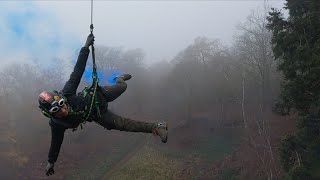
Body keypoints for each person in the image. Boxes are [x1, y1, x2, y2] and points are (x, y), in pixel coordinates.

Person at [38, 34, 168, 176]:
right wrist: (51, 162)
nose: (63, 110)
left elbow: (77, 71)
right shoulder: (57, 124)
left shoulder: (67, 92)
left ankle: (119, 77)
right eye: (57, 110)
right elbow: (56, 143)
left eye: (62, 104)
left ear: (62, 98)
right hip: (97, 114)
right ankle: (157, 126)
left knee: (122, 87)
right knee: (122, 124)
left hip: (99, 95)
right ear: (51, 115)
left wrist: (86, 47)